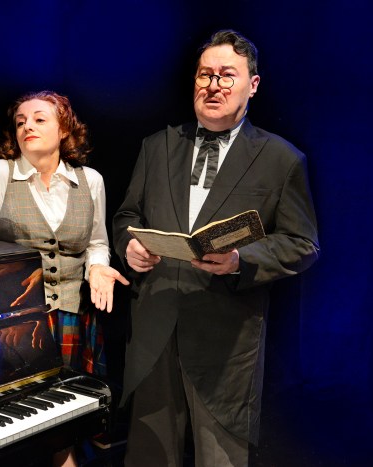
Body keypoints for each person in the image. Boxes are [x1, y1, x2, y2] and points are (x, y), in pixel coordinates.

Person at [112, 30, 320, 467]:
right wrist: (128, 247)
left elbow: (302, 243)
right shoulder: (157, 146)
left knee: (219, 460)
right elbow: (126, 217)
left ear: (253, 84)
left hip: (226, 340)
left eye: (228, 75)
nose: (214, 85)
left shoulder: (282, 159)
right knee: (148, 455)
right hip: (155, 328)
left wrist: (241, 260)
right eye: (206, 74)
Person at [0, 90, 129, 466]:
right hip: (18, 321)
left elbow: (97, 242)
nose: (27, 125)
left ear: (64, 129)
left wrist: (97, 266)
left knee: (69, 415)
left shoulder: (90, 180)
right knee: (24, 424)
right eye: (20, 121)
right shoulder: (0, 172)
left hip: (71, 315)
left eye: (39, 119)